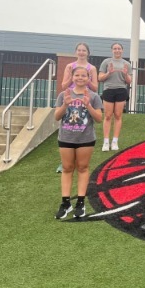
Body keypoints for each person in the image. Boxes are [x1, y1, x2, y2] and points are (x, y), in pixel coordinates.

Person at [54, 66, 103, 219]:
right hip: (66, 137)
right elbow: (57, 117)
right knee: (67, 168)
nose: (80, 78)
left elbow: (99, 119)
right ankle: (66, 203)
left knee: (82, 168)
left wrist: (88, 105)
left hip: (85, 139)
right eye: (77, 75)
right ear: (72, 77)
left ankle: (80, 203)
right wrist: (65, 104)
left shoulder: (94, 96)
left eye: (83, 75)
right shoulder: (64, 94)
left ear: (88, 78)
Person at [57, 42, 99, 173]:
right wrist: (72, 77)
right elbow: (64, 86)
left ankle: (79, 160)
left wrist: (86, 79)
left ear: (88, 53)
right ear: (76, 52)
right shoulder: (70, 66)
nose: (81, 52)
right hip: (70, 100)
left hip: (84, 99)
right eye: (79, 50)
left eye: (84, 50)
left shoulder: (92, 68)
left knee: (82, 126)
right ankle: (65, 162)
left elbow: (95, 88)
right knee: (68, 128)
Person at [98, 42, 132, 151]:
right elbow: (100, 78)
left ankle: (114, 142)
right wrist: (108, 72)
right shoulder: (106, 62)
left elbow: (129, 81)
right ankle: (106, 142)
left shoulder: (126, 64)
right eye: (115, 48)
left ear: (122, 50)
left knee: (118, 116)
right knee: (108, 116)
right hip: (108, 90)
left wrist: (125, 74)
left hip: (121, 90)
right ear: (112, 50)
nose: (117, 50)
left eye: (119, 48)